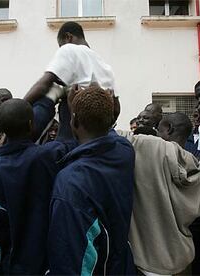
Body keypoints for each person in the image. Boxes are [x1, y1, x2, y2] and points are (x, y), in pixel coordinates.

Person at [117, 112, 200, 275]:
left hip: (145, 261)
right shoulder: (195, 167)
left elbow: (105, 132)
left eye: (158, 129)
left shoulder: (147, 146)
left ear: (168, 128)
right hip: (181, 260)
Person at [0, 99, 72, 274]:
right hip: (46, 259)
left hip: (12, 260)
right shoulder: (47, 156)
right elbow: (67, 139)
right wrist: (62, 104)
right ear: (31, 125)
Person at [48, 87, 135, 275]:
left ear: (74, 120)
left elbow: (71, 260)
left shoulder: (70, 182)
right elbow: (106, 135)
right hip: (120, 266)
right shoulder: (124, 151)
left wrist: (71, 110)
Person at [24, 21, 115, 104]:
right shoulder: (105, 66)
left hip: (76, 114)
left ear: (68, 37)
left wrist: (19, 107)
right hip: (103, 118)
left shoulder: (69, 49)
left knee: (52, 92)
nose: (61, 48)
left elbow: (44, 84)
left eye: (61, 45)